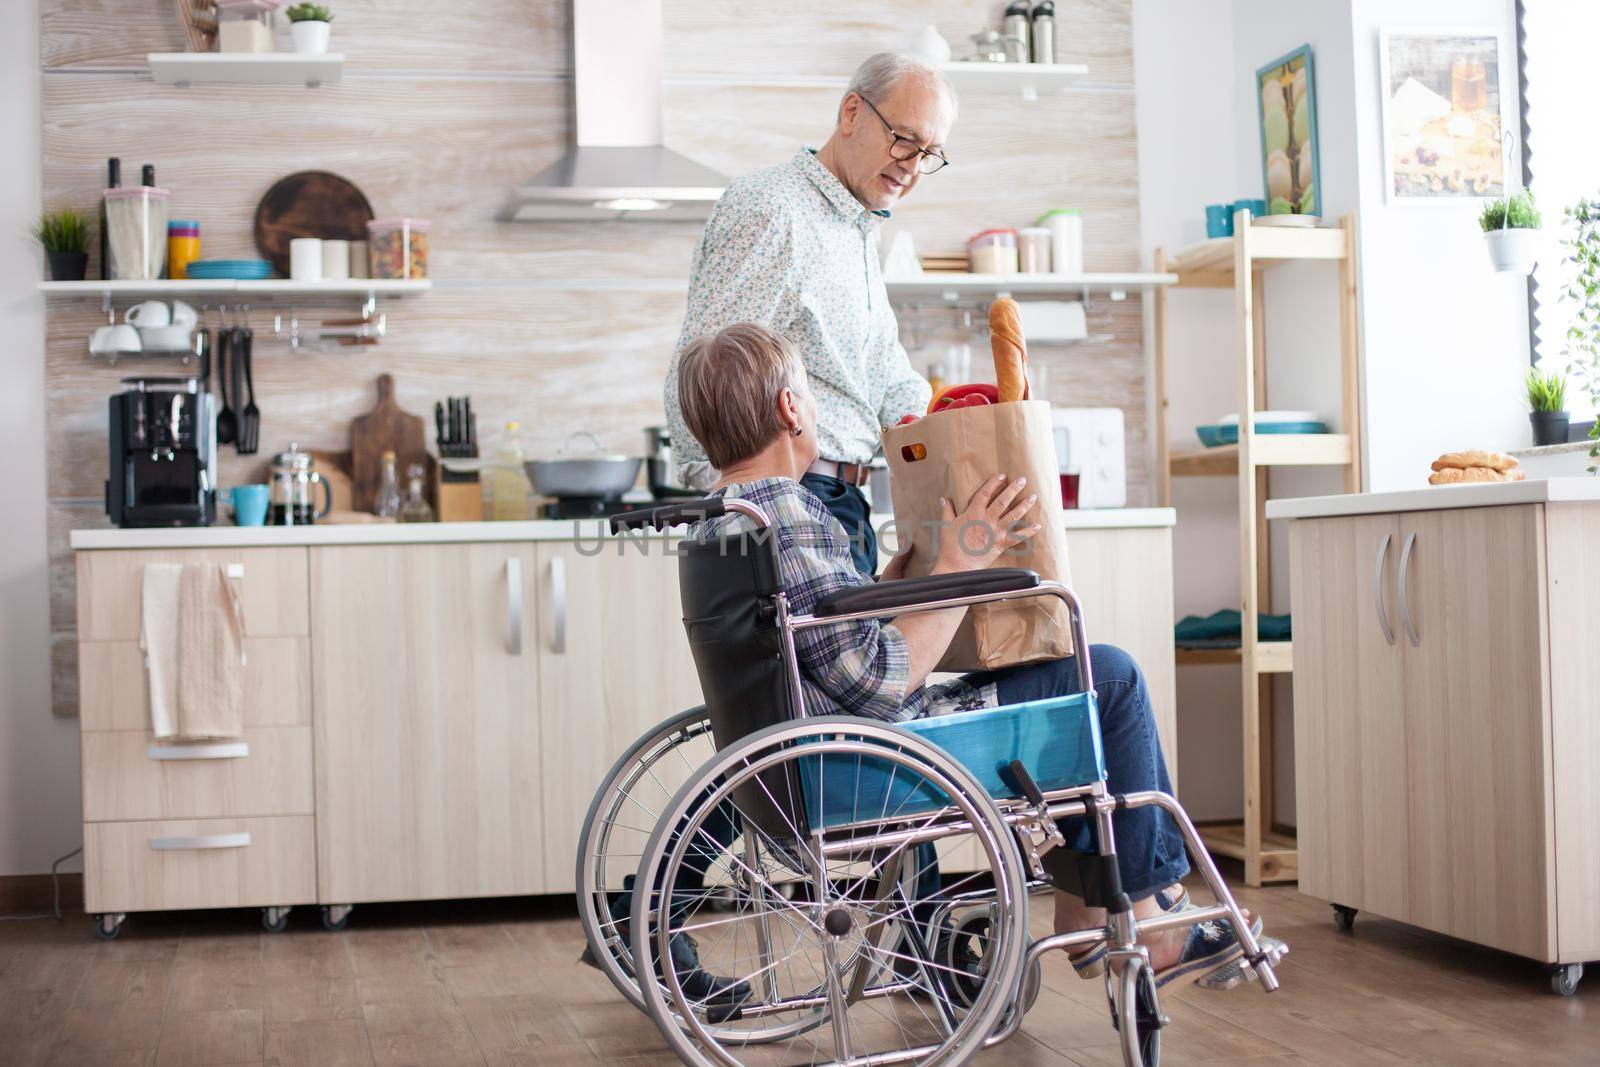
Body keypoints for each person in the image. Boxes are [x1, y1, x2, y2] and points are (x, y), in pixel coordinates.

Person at [675, 322, 1259, 989]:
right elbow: (876, 683)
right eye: (809, 392)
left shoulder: (729, 517)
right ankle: (1151, 914)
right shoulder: (795, 515)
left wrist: (892, 584)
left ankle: (1085, 900)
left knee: (1058, 682)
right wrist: (963, 560)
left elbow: (808, 638)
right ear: (791, 408)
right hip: (874, 759)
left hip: (809, 756)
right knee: (1110, 677)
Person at [664, 52, 957, 576]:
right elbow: (703, 372)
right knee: (872, 662)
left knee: (880, 659)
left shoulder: (855, 228)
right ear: (852, 113)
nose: (913, 166)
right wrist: (739, 510)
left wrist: (955, 426)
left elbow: (884, 375)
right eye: (905, 140)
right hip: (793, 505)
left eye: (929, 153)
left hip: (842, 503)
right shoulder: (773, 210)